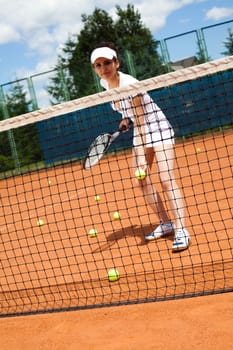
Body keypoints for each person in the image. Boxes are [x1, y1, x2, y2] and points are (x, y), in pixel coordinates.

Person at [90, 42, 191, 252]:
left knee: (165, 179)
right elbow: (131, 113)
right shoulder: (104, 83)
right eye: (98, 65)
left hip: (157, 128)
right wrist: (126, 118)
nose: (103, 68)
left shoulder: (130, 84)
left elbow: (143, 119)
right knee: (141, 182)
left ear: (116, 63)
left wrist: (143, 157)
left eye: (107, 63)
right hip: (140, 128)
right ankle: (165, 223)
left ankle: (182, 229)